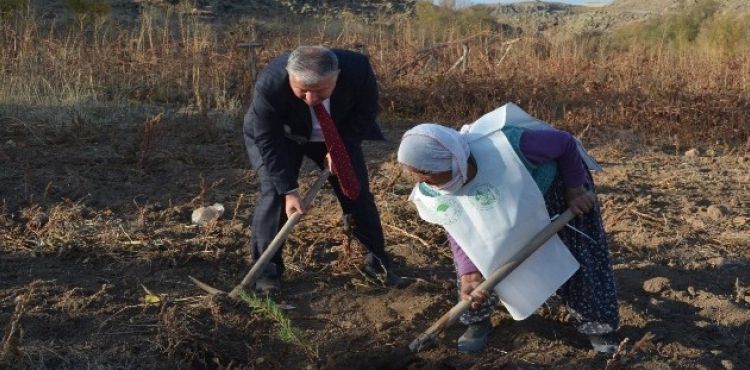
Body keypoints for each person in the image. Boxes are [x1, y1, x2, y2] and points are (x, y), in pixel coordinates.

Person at [396, 116, 619, 355]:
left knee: (578, 257)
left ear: (454, 161)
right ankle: (477, 321)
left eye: (429, 178)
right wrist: (469, 273)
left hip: (555, 195)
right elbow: (461, 231)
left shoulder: (511, 145)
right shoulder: (434, 187)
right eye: (420, 180)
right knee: (479, 264)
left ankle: (598, 327)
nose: (428, 185)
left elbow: (565, 143)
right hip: (494, 207)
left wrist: (575, 189)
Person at [242, 45, 404, 294]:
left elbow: (366, 112)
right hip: (282, 136)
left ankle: (377, 263)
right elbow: (267, 140)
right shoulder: (270, 83)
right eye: (302, 90)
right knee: (274, 195)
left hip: (337, 135)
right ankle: (266, 272)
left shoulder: (358, 69)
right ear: (290, 76)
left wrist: (341, 149)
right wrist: (289, 189)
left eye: (319, 91)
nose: (310, 99)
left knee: (356, 192)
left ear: (336, 77)